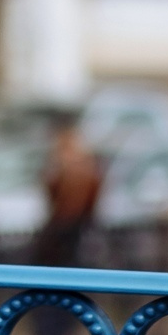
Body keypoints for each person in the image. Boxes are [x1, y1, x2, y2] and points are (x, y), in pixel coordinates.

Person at [30, 115, 104, 269]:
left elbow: (70, 202)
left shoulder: (72, 162)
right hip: (72, 226)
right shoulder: (80, 160)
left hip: (67, 226)